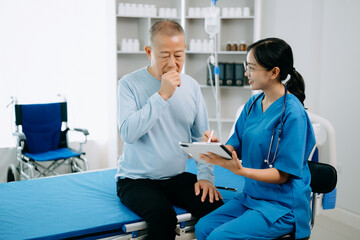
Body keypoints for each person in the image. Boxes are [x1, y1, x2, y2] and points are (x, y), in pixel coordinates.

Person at [195, 37, 316, 240]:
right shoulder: (252, 104)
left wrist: (240, 170)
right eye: (246, 66)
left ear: (274, 72)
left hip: (281, 206)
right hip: (252, 197)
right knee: (203, 228)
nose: (245, 73)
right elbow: (236, 144)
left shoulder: (293, 113)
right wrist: (218, 149)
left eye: (251, 68)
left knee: (219, 237)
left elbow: (283, 175)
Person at [115, 20, 223, 240]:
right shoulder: (128, 84)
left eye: (178, 55)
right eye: (165, 56)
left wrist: (205, 177)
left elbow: (201, 137)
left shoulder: (191, 86)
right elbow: (128, 133)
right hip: (136, 180)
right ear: (149, 52)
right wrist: (162, 95)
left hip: (174, 177)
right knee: (163, 217)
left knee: (216, 206)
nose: (173, 63)